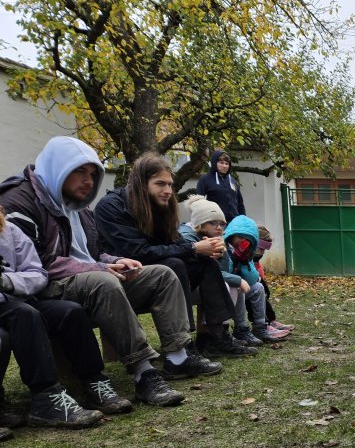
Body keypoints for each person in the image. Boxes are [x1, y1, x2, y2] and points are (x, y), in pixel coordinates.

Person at [0, 136, 213, 403]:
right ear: (57, 168)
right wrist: (100, 267)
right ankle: (144, 373)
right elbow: (37, 265)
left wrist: (117, 260)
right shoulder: (21, 201)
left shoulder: (78, 206)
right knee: (103, 281)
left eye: (92, 174)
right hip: (46, 288)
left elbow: (94, 251)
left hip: (89, 278)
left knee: (162, 275)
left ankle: (178, 356)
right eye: (79, 171)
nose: (88, 181)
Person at [94, 153, 248, 358]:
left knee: (206, 263)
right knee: (175, 264)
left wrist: (207, 248)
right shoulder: (112, 206)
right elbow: (137, 252)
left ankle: (215, 337)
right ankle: (182, 344)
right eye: (160, 184)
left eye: (170, 184)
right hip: (124, 277)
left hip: (159, 270)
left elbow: (174, 242)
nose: (168, 191)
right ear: (140, 183)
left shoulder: (160, 206)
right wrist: (193, 248)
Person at [0, 207, 108, 427]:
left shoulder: (9, 230)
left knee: (70, 312)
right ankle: (46, 398)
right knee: (24, 314)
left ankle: (94, 382)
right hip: (16, 309)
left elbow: (37, 274)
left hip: (17, 298)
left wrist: (8, 281)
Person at [176, 197, 266, 350]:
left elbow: (222, 272)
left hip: (199, 285)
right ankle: (215, 337)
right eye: (213, 222)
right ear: (200, 223)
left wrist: (242, 258)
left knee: (235, 285)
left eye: (222, 224)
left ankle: (219, 336)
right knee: (226, 285)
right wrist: (236, 278)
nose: (219, 227)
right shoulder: (187, 237)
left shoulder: (216, 238)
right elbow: (205, 272)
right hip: (182, 289)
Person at [222, 215, 288, 344]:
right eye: (240, 237)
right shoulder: (224, 248)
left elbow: (253, 280)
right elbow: (222, 273)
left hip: (238, 287)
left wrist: (245, 261)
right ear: (232, 234)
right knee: (238, 287)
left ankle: (260, 327)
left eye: (246, 238)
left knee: (258, 287)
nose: (242, 241)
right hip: (226, 288)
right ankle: (241, 329)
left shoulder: (247, 251)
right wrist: (234, 258)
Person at [253, 225, 292, 334]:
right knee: (259, 292)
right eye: (261, 248)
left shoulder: (256, 259)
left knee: (264, 293)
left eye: (264, 249)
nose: (262, 253)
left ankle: (270, 321)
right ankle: (264, 323)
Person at [195, 150, 246, 222]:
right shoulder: (205, 179)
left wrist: (243, 220)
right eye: (221, 163)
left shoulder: (232, 180)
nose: (224, 166)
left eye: (227, 163)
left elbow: (240, 203)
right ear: (214, 163)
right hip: (215, 222)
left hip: (234, 222)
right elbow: (199, 203)